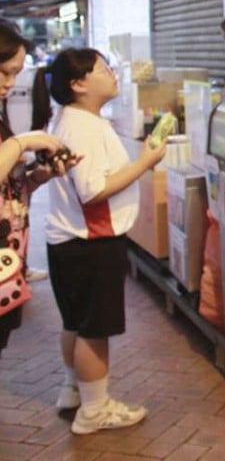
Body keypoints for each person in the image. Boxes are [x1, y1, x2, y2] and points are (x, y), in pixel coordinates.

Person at [33, 48, 167, 434]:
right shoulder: (84, 127)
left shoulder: (75, 119)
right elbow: (92, 191)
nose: (113, 75)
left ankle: (74, 390)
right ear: (78, 84)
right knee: (95, 329)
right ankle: (95, 410)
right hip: (91, 241)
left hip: (67, 240)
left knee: (75, 322)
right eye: (104, 70)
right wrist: (145, 162)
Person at [0, 23, 76, 357]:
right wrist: (24, 141)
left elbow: (11, 185)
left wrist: (40, 175)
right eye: (4, 73)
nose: (10, 84)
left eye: (16, 74)